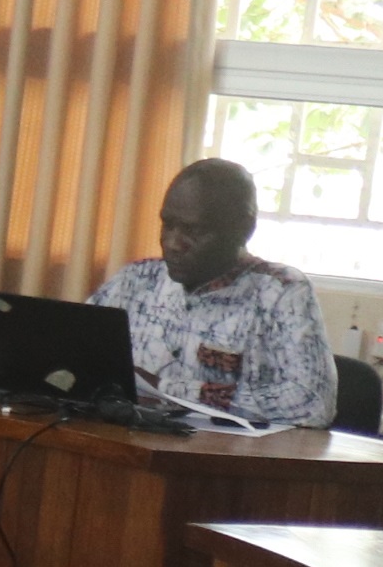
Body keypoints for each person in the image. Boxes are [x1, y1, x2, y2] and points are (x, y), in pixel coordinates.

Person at [91, 157, 334, 428]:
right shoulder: (135, 280)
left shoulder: (280, 292)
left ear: (244, 229)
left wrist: (167, 389)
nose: (173, 243)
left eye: (193, 230)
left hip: (222, 460)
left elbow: (313, 404)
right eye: (167, 225)